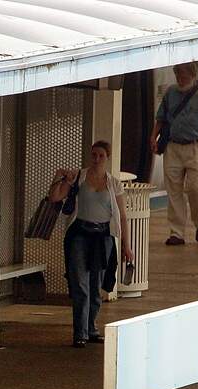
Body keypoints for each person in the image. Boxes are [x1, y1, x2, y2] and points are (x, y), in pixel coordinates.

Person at [50, 141, 135, 348]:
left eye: (101, 156)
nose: (96, 159)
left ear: (107, 158)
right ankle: (80, 332)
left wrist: (126, 246)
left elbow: (122, 216)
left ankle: (91, 327)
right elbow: (55, 197)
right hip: (80, 234)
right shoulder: (79, 177)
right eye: (94, 155)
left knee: (96, 285)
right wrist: (60, 178)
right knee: (80, 284)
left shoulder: (113, 184)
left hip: (103, 237)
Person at [150, 62, 198, 246]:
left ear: (193, 76)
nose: (180, 79)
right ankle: (176, 232)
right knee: (174, 190)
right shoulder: (170, 93)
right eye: (178, 76)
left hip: (195, 147)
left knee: (195, 188)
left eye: (184, 76)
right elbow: (161, 118)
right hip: (173, 147)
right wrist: (153, 136)